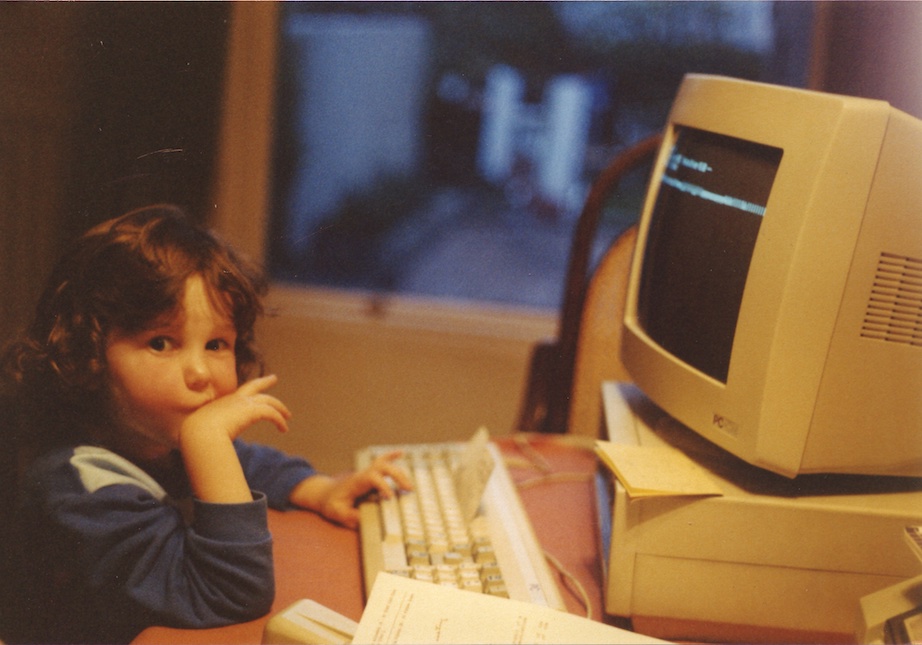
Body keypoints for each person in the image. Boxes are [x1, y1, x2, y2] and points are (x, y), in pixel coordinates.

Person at [0, 205, 412, 644]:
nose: (199, 372)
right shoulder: (77, 490)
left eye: (216, 344)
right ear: (90, 356)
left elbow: (251, 463)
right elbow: (232, 594)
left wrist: (320, 489)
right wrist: (208, 439)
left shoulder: (153, 439)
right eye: (161, 343)